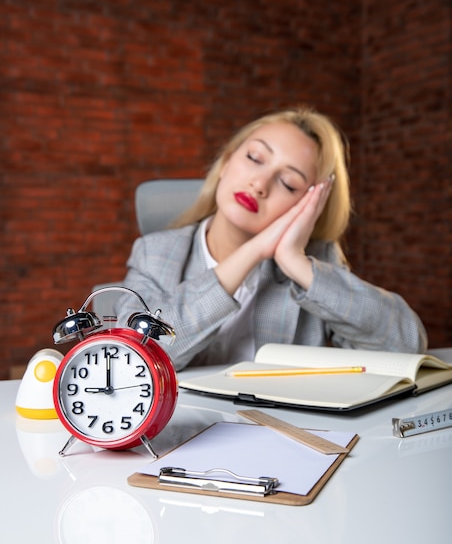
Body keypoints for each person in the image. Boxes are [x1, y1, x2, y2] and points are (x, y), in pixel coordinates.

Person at [115, 107, 427, 371]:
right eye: (254, 157)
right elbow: (132, 355)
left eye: (289, 183)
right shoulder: (155, 253)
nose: (260, 184)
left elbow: (407, 343)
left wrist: (296, 264)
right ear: (225, 163)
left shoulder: (314, 262)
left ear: (307, 206)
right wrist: (250, 254)